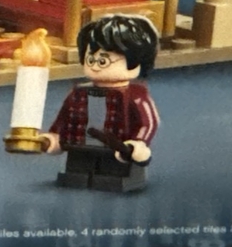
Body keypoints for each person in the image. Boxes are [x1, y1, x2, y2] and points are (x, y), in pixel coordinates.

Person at [41, 14, 160, 193]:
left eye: (103, 61)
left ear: (136, 61)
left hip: (116, 149)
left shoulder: (135, 95)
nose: (95, 66)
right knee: (76, 172)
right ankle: (77, 176)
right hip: (79, 146)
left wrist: (138, 143)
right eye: (91, 59)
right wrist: (53, 138)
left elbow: (148, 123)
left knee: (114, 175)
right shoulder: (78, 93)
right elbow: (64, 118)